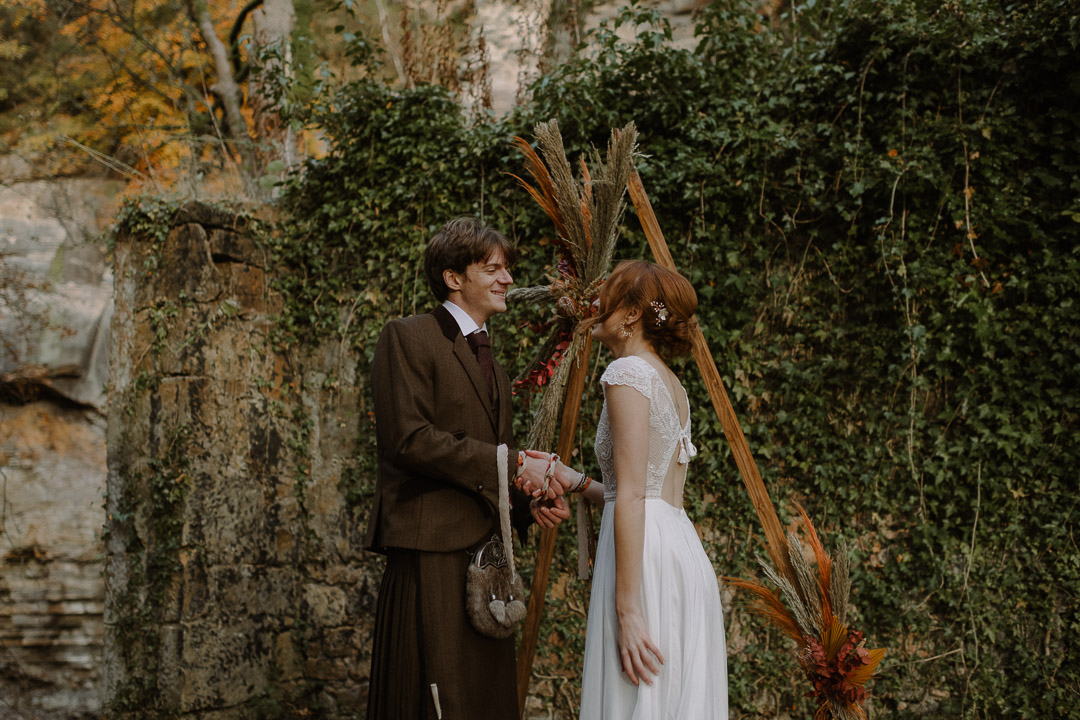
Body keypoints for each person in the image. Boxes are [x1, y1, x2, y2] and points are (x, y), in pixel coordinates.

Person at [364, 216, 570, 720]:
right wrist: (512, 462)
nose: (507, 279)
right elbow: (409, 440)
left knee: (485, 704)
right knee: (434, 700)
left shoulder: (494, 367)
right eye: (492, 269)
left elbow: (491, 465)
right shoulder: (407, 337)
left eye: (507, 269)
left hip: (485, 563)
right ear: (453, 277)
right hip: (429, 551)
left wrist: (527, 502)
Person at [532, 260, 728, 718]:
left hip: (644, 561)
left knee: (633, 697)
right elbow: (643, 490)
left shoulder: (627, 374)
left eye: (609, 295)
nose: (596, 303)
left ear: (633, 313)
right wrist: (579, 482)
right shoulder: (667, 379)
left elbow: (636, 497)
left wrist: (627, 607)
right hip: (677, 547)